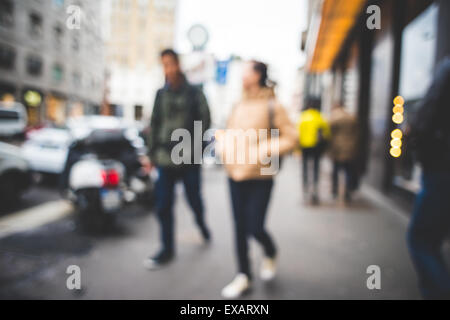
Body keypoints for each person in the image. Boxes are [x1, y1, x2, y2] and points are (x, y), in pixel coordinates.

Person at [217, 61, 297, 298]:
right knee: (239, 227)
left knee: (255, 227)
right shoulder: (238, 104)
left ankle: (270, 251)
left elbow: (291, 137)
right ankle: (244, 275)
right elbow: (230, 133)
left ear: (258, 74)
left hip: (261, 175)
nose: (242, 75)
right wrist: (225, 148)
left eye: (247, 71)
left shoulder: (274, 105)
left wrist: (265, 149)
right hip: (235, 174)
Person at [143, 49, 212, 269]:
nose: (169, 69)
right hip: (165, 157)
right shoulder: (160, 94)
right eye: (164, 65)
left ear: (178, 64)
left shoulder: (194, 92)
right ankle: (167, 249)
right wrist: (151, 154)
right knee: (163, 205)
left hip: (188, 157)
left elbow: (206, 119)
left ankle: (201, 224)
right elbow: (154, 125)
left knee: (193, 199)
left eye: (171, 63)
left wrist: (192, 146)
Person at [407, 56, 450, 299]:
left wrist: (415, 140)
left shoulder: (447, 69)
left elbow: (426, 118)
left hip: (442, 169)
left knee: (422, 239)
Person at [297, 98, 330, 204]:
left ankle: (305, 185)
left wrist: (297, 149)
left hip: (304, 146)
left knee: (305, 166)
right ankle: (315, 186)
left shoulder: (303, 117)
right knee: (315, 166)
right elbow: (327, 132)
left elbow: (297, 133)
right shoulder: (319, 117)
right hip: (316, 146)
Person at [328, 104, 360, 202]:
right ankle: (347, 191)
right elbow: (356, 133)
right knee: (348, 171)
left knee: (336, 171)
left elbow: (329, 133)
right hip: (350, 148)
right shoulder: (351, 118)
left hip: (338, 148)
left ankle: (335, 191)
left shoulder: (334, 118)